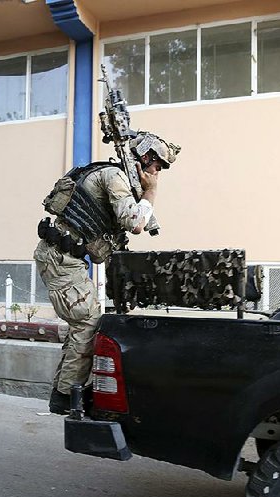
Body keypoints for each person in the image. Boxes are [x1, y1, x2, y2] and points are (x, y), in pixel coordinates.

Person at [35, 131, 180, 415]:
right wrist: (150, 192)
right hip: (60, 260)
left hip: (66, 260)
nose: (158, 172)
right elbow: (134, 223)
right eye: (157, 165)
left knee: (84, 323)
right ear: (146, 157)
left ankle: (65, 390)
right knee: (88, 322)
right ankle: (65, 395)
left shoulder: (117, 177)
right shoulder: (114, 177)